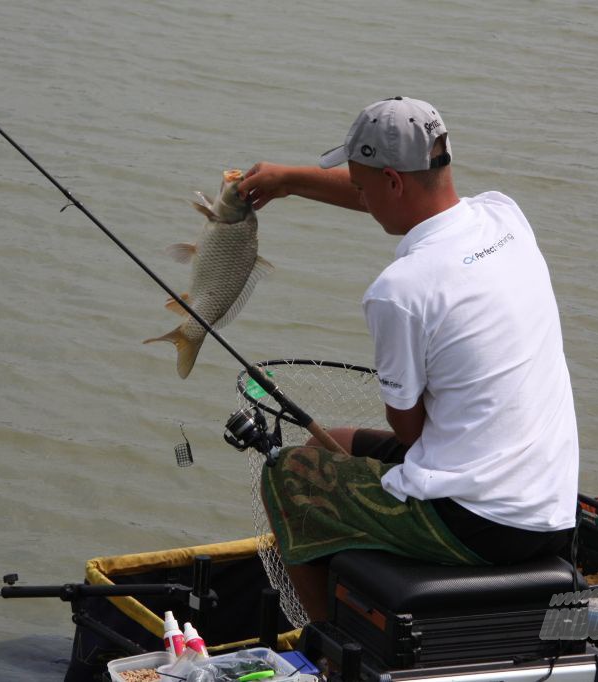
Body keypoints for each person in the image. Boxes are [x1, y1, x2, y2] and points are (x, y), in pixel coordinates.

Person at [239, 97, 579, 621]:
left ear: (393, 181)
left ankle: (333, 647)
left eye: (360, 184)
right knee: (342, 443)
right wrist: (289, 182)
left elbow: (413, 431)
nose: (358, 194)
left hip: (479, 524)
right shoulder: (505, 216)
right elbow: (406, 201)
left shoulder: (399, 291)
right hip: (550, 508)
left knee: (290, 476)